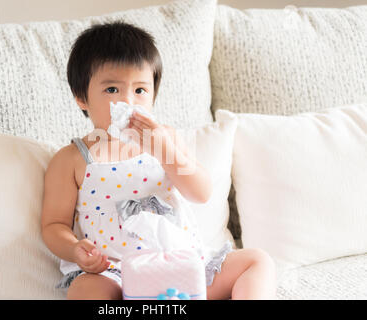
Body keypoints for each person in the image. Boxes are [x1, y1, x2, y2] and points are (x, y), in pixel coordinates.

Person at [41, 20, 277, 300]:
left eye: (140, 90)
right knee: (85, 291)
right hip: (117, 272)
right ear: (82, 97)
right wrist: (75, 250)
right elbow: (54, 224)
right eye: (112, 90)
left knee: (257, 261)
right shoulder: (72, 159)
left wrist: (165, 150)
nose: (129, 101)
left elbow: (200, 192)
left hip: (184, 265)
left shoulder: (166, 139)